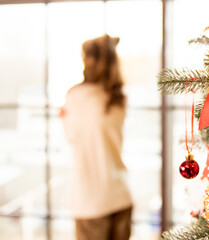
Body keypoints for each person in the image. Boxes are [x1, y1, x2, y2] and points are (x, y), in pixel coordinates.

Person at [60, 34, 132, 240]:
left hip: (90, 201)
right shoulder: (119, 98)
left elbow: (71, 137)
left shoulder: (74, 97)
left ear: (87, 61)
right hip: (120, 194)